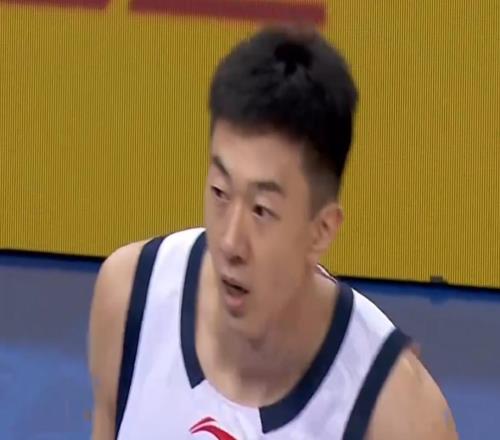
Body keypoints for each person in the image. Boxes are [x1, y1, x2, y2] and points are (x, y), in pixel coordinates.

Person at [88, 24, 458, 440]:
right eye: (220, 192)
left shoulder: (396, 413)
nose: (230, 242)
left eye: (262, 210)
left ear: (321, 231)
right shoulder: (130, 301)